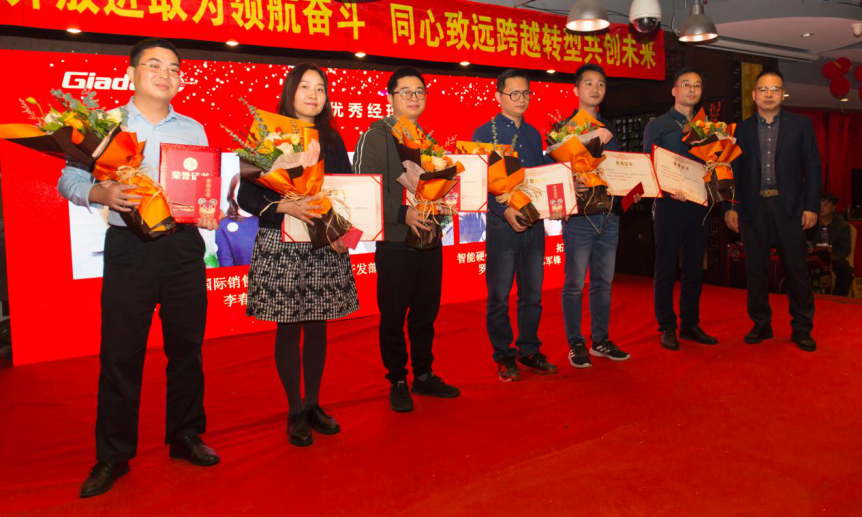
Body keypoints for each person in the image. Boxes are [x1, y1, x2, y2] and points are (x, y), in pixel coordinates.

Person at [57, 38, 222, 498]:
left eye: (173, 68)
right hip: (129, 248)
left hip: (183, 247)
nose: (165, 74)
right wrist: (101, 193)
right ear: (130, 73)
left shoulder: (193, 129)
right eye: (154, 65)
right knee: (120, 354)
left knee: (187, 349)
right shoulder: (104, 125)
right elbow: (69, 179)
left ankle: (186, 435)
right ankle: (113, 455)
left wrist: (208, 212)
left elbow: (203, 190)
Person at [238, 63, 358, 446]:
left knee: (318, 325)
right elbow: (246, 195)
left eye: (320, 88)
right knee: (288, 326)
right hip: (281, 243)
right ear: (290, 91)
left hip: (323, 243)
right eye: (305, 86)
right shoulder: (267, 135)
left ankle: (313, 404)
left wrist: (345, 233)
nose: (312, 94)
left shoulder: (333, 139)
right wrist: (283, 207)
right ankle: (294, 409)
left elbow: (345, 191)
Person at [353, 67, 460, 411]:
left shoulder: (426, 140)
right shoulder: (376, 135)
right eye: (406, 92)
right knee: (394, 313)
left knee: (426, 311)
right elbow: (364, 190)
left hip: (429, 237)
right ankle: (397, 379)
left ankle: (424, 374)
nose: (414, 98)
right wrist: (403, 214)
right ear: (390, 97)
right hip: (396, 241)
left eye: (419, 92)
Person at [725, 69, 821, 351]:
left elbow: (813, 167)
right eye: (763, 90)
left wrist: (811, 206)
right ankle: (761, 324)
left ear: (783, 94)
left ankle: (802, 328)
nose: (769, 94)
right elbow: (732, 171)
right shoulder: (740, 129)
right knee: (755, 269)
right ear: (754, 95)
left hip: (789, 207)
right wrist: (731, 207)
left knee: (796, 269)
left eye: (775, 89)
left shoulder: (801, 125)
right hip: (752, 207)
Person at [471, 68, 557, 382]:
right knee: (499, 294)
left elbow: (541, 178)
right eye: (514, 93)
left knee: (532, 293)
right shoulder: (484, 134)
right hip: (502, 225)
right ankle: (504, 355)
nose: (521, 99)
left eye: (526, 93)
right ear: (499, 96)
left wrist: (558, 199)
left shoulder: (534, 134)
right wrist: (502, 209)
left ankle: (529, 350)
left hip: (534, 224)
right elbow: (478, 183)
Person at [561, 64, 639, 369]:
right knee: (574, 284)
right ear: (576, 90)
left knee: (603, 283)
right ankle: (575, 343)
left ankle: (601, 339)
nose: (595, 89)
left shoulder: (610, 127)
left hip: (609, 216)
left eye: (601, 84)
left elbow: (618, 168)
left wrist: (632, 188)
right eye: (589, 83)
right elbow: (555, 170)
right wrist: (571, 181)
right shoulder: (564, 129)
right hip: (580, 219)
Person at [643, 67, 719, 351]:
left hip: (699, 205)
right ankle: (666, 325)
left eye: (697, 85)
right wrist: (668, 188)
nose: (692, 89)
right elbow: (649, 164)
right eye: (686, 84)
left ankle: (690, 323)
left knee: (693, 268)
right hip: (669, 205)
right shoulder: (659, 125)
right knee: (666, 267)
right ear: (674, 90)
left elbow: (714, 163)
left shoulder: (707, 127)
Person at [807, 193, 853, 296]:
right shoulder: (810, 221)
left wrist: (831, 258)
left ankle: (838, 298)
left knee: (846, 272)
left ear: (833, 208)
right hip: (812, 257)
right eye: (819, 205)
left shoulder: (842, 225)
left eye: (825, 205)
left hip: (833, 258)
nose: (821, 208)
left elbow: (845, 249)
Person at [215, 173, 259, 267]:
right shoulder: (223, 225)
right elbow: (226, 264)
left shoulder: (269, 221)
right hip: (241, 276)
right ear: (233, 196)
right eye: (241, 190)